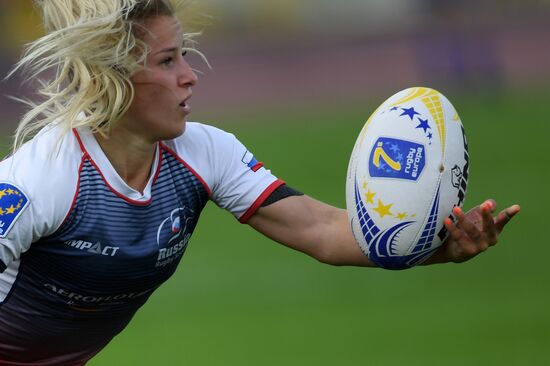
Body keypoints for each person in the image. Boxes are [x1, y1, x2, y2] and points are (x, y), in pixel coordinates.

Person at [0, 0, 520, 364]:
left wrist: (433, 247)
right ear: (111, 79)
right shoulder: (40, 180)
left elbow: (322, 230)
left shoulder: (207, 152)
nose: (190, 74)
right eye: (167, 61)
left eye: (183, 53)